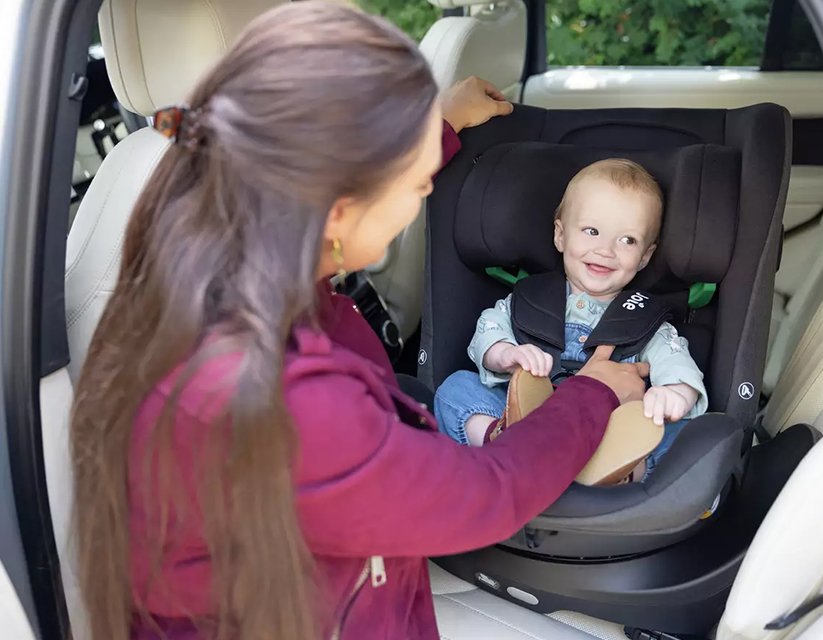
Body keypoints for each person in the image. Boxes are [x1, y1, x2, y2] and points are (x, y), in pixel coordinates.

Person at [68, 3, 649, 640]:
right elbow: (486, 494)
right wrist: (591, 394)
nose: (425, 189)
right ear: (338, 209)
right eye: (415, 178)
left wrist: (439, 124)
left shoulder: (222, 250)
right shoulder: (287, 401)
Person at [435, 159, 707, 480]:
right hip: (525, 417)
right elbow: (489, 330)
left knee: (685, 435)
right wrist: (506, 353)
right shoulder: (531, 299)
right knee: (455, 390)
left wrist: (673, 394)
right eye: (592, 231)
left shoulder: (646, 320)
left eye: (627, 240)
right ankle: (503, 440)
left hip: (609, 434)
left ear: (645, 256)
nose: (605, 250)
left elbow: (678, 366)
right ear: (561, 235)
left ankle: (618, 472)